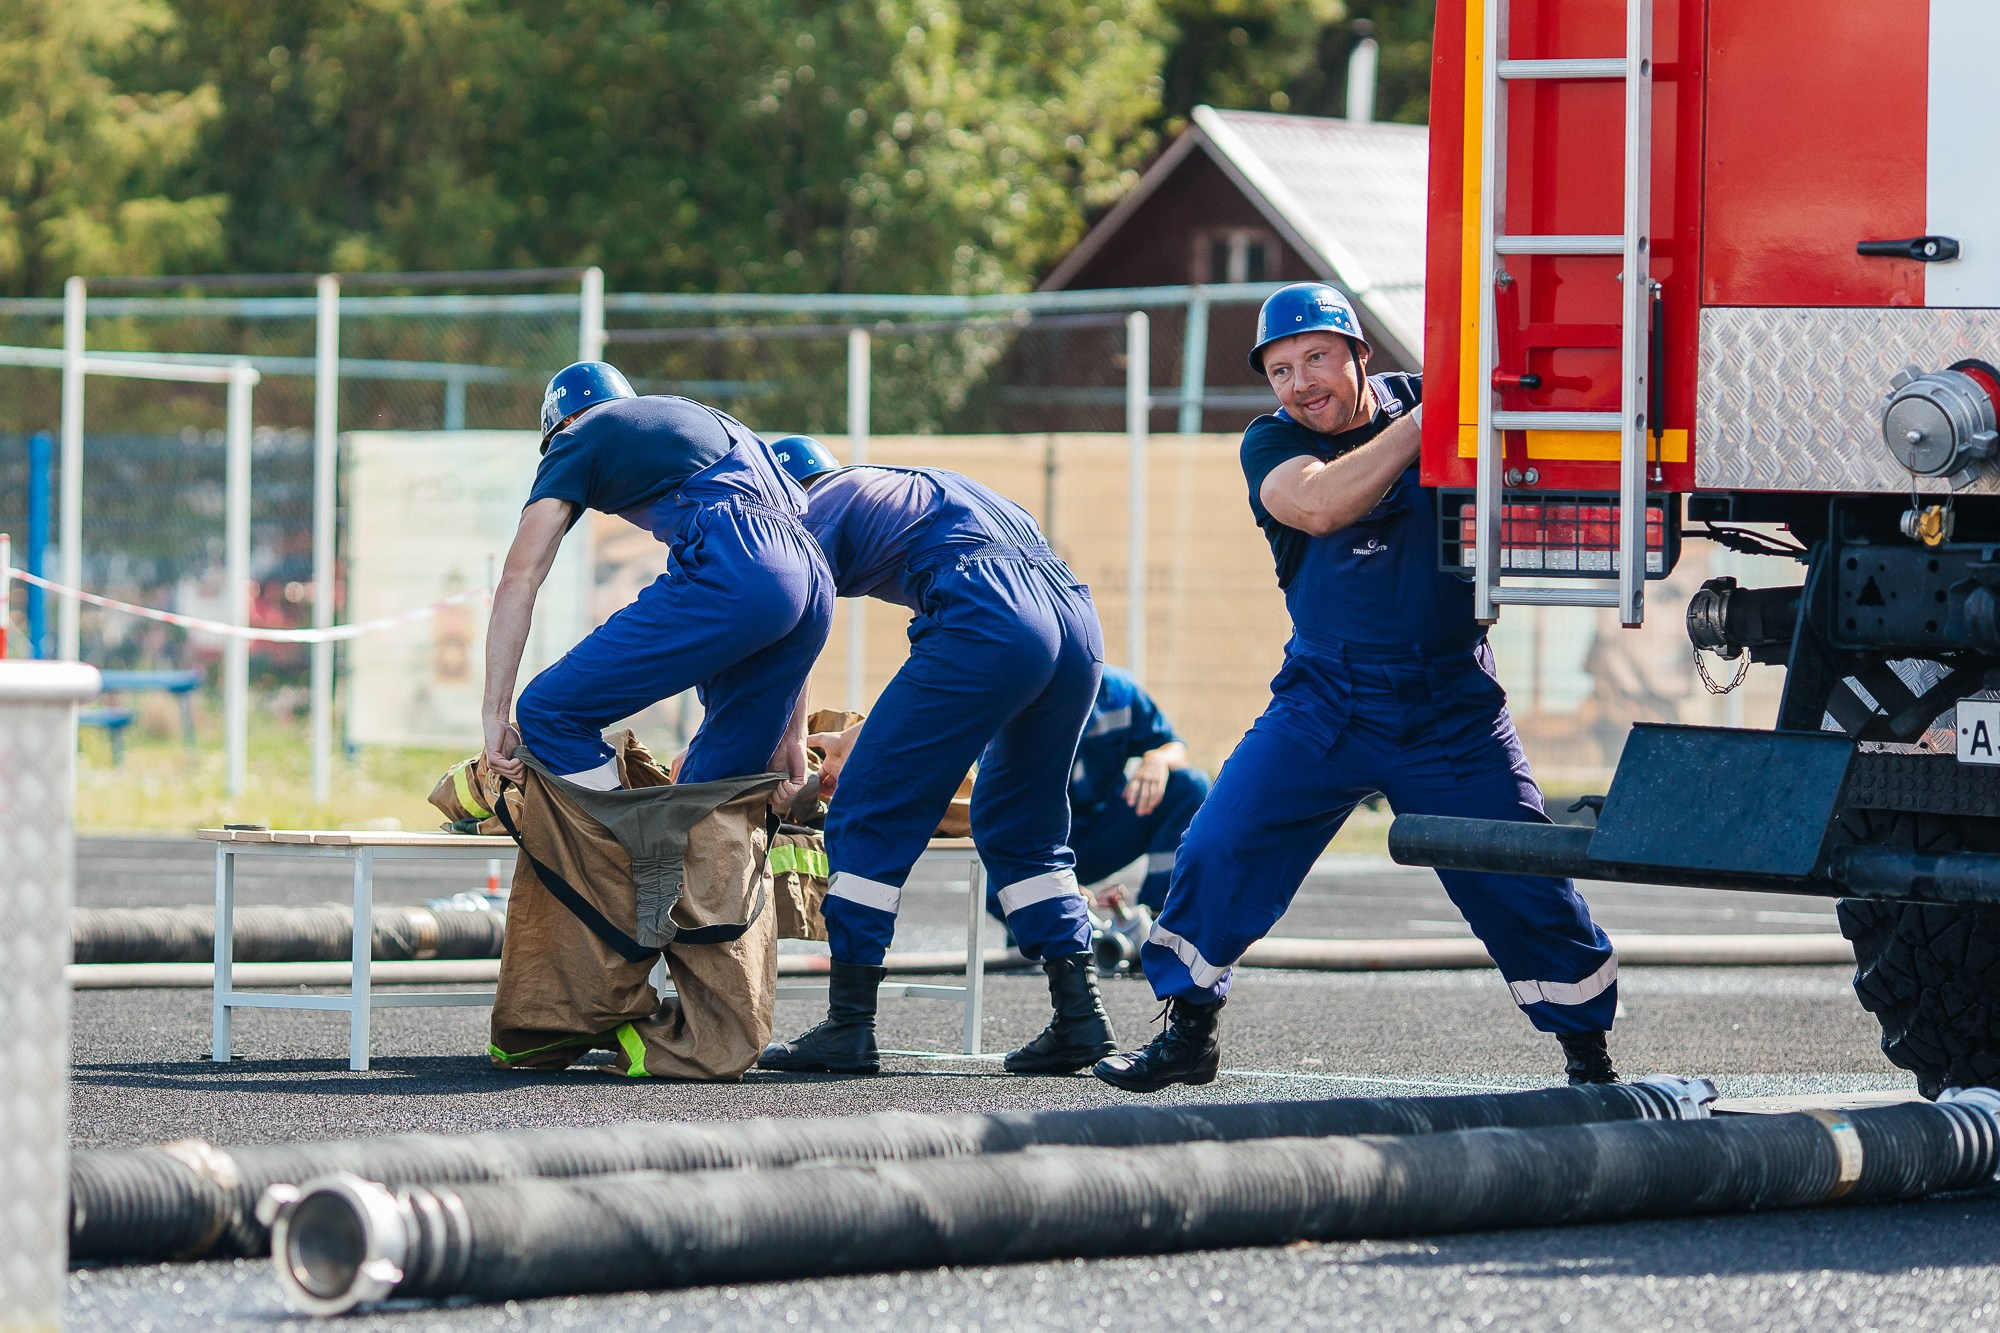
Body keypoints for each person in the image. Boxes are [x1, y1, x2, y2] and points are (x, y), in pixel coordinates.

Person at [1093, 283, 1619, 1093]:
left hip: (1450, 707)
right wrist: (1433, 418)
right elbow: (1319, 504)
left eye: (1315, 358)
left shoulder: (1431, 401)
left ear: (1359, 354)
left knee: (1522, 880)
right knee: (1221, 843)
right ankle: (1188, 1030)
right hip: (1325, 701)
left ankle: (1589, 1056)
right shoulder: (1272, 443)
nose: (1300, 383)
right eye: (1279, 370)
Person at [755, 436, 1116, 1077]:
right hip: (1072, 620)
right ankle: (1080, 1014)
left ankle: (849, 1025)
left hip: (989, 614)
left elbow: (791, 627)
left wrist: (787, 745)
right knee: (1021, 822)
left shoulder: (815, 505)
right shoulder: (920, 489)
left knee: (867, 810)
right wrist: (858, 741)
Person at [481, 363, 832, 802]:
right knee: (709, 789)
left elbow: (520, 576)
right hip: (813, 581)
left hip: (739, 565)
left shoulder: (580, 434)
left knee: (550, 711)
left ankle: (623, 860)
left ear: (565, 422)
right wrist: (792, 734)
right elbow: (786, 578)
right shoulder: (706, 420)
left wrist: (495, 713)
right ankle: (678, 865)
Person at [1052, 666, 1211, 913]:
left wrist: (1157, 758)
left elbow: (1174, 747)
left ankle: (1159, 917)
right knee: (1004, 873)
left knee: (1190, 786)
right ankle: (1036, 932)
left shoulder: (1117, 691)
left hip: (1100, 830)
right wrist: (1058, 884)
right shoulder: (1022, 693)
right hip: (1038, 841)